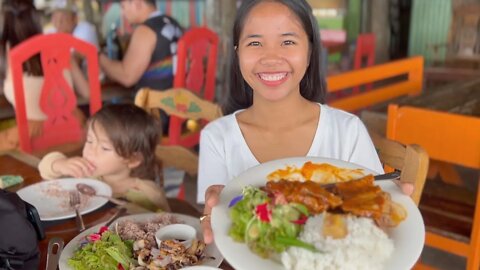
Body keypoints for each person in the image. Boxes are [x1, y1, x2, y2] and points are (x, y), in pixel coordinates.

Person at [197, 0, 414, 244]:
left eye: (288, 41)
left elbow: (374, 208)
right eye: (255, 42)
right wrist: (207, 218)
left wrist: (383, 214)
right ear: (237, 53)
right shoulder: (217, 137)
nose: (271, 57)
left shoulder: (347, 132)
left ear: (310, 52)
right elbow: (215, 222)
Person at [38, 104, 170, 212]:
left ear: (133, 159)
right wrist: (60, 164)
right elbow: (44, 168)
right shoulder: (86, 173)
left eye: (105, 148)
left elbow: (170, 228)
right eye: (89, 141)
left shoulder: (149, 194)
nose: (90, 151)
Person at [0, 0, 90, 151]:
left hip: (32, 140)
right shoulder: (60, 47)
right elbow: (88, 92)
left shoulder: (5, 55)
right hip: (73, 133)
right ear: (36, 19)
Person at [98, 0, 183, 91]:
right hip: (176, 98)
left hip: (153, 101)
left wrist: (98, 56)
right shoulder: (173, 22)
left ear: (137, 3)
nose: (122, 13)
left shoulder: (146, 30)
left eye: (123, 7)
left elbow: (127, 77)